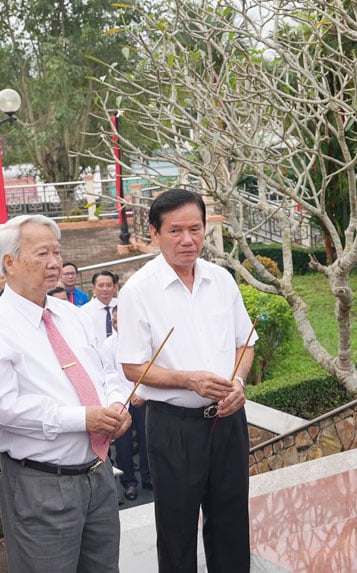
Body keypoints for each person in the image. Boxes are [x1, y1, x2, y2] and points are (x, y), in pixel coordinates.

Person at [0, 215, 131, 572]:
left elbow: (105, 371)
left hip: (99, 473)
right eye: (42, 253)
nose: (55, 262)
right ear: (9, 263)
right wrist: (83, 418)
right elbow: (1, 407)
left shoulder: (71, 314)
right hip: (42, 483)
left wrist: (116, 405)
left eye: (57, 252)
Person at [117, 188, 255, 573]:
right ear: (154, 232)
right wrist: (187, 380)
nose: (188, 239)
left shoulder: (221, 280)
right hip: (174, 426)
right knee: (177, 530)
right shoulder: (138, 291)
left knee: (231, 523)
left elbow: (245, 344)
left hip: (228, 422)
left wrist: (239, 384)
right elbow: (132, 366)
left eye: (195, 228)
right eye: (175, 230)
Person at [101, 305, 150, 502]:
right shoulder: (108, 345)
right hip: (120, 402)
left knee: (148, 441)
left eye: (120, 320)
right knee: (123, 446)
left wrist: (141, 393)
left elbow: (151, 369)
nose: (117, 324)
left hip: (143, 397)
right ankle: (129, 482)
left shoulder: (144, 342)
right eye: (114, 321)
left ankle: (148, 477)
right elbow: (109, 374)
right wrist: (122, 399)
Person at [81, 270, 118, 346]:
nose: (105, 289)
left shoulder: (122, 305)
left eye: (109, 285)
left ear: (114, 287)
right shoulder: (84, 311)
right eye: (101, 285)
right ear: (94, 288)